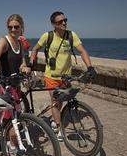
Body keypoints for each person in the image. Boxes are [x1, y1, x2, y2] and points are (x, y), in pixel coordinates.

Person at [30, 11, 97, 141]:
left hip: (66, 77)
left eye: (65, 20)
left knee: (61, 101)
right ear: (54, 24)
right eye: (60, 21)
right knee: (56, 102)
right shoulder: (47, 36)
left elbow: (82, 51)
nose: (64, 23)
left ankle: (55, 121)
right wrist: (32, 62)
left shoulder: (71, 35)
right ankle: (59, 128)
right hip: (51, 76)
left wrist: (90, 67)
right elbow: (35, 48)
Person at [0, 14, 30, 154]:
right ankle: (11, 144)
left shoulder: (20, 44)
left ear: (21, 27)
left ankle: (11, 141)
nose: (13, 29)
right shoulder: (4, 41)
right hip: (4, 85)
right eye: (10, 27)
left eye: (16, 27)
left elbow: (22, 63)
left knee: (15, 114)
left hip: (16, 84)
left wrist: (25, 68)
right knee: (11, 116)